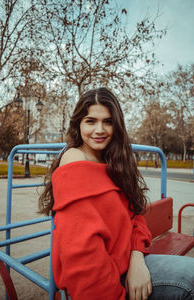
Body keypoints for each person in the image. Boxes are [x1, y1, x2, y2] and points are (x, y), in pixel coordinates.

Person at [39, 87, 194, 300]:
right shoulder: (74, 160)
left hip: (130, 261)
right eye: (91, 121)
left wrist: (136, 259)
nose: (100, 130)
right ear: (78, 124)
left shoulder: (115, 161)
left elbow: (135, 216)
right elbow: (82, 254)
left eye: (108, 121)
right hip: (105, 281)